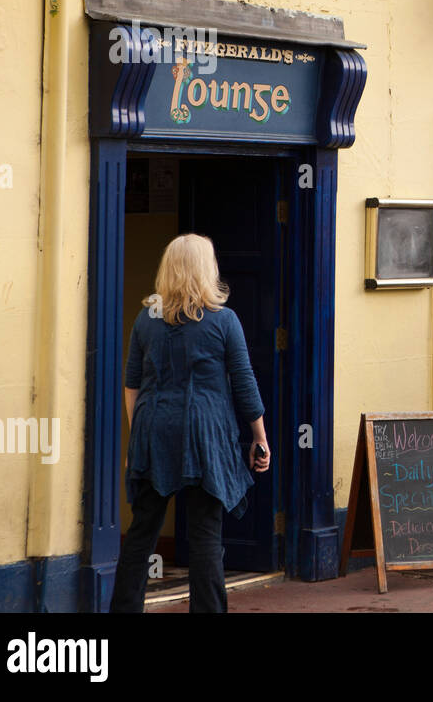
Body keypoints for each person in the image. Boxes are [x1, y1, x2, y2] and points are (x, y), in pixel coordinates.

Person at [110, 233, 270, 612]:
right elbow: (244, 384)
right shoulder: (224, 321)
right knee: (205, 536)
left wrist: (138, 440)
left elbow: (131, 384)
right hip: (204, 435)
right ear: (206, 269)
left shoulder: (146, 320)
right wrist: (259, 438)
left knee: (141, 532)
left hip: (153, 429)